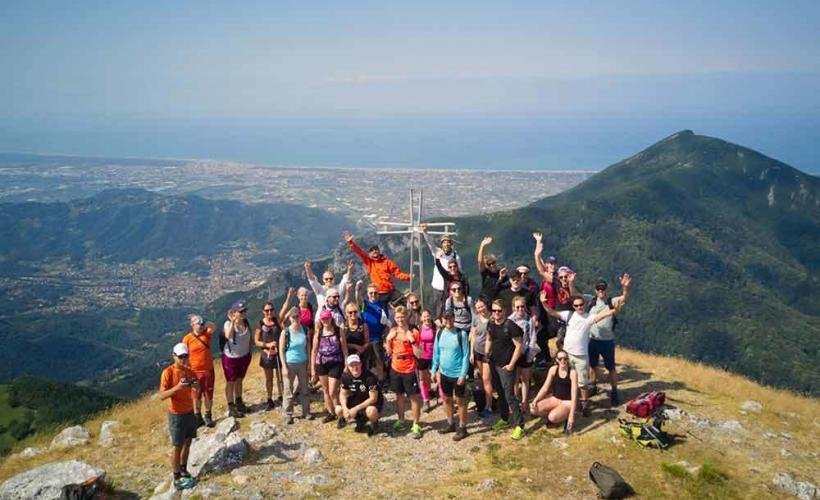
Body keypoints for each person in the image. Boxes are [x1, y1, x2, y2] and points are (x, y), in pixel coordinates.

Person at [540, 291, 622, 417]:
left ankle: (584, 404)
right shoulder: (569, 315)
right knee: (565, 378)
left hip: (581, 356)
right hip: (566, 355)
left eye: (581, 305)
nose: (579, 307)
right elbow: (552, 312)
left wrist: (614, 309)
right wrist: (543, 302)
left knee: (583, 382)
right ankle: (569, 402)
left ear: (584, 304)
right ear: (573, 306)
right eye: (576, 305)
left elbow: (603, 315)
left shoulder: (589, 317)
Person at [584, 274, 631, 406]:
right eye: (598, 289)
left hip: (607, 342)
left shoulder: (612, 302)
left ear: (606, 290)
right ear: (595, 290)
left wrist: (625, 288)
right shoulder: (590, 300)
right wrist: (570, 283)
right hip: (592, 340)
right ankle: (593, 386)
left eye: (603, 289)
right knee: (592, 365)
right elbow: (576, 294)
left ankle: (614, 391)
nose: (600, 291)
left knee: (611, 368)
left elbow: (624, 298)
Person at [158, 343, 198, 490]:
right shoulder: (168, 372)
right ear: (174, 356)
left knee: (188, 442)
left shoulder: (190, 372)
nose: (183, 359)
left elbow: (197, 389)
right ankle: (176, 477)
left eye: (185, 356)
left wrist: (195, 385)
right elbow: (162, 395)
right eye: (180, 357)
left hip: (189, 411)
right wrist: (178, 387)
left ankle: (183, 469)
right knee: (177, 446)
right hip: (176, 415)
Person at [485, 300, 526, 440]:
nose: (496, 313)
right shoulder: (491, 324)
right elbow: (489, 339)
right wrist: (486, 354)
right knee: (501, 393)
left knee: (509, 396)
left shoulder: (510, 326)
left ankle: (520, 425)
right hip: (494, 363)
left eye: (499, 311)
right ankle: (504, 418)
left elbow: (519, 346)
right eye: (494, 310)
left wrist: (512, 364)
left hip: (506, 365)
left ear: (504, 311)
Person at [431, 311, 471, 441]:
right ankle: (450, 424)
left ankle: (463, 427)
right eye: (445, 318)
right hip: (444, 373)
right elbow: (436, 353)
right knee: (447, 399)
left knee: (460, 401)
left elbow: (466, 355)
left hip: (458, 374)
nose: (448, 320)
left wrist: (463, 374)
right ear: (442, 319)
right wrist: (433, 369)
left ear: (454, 319)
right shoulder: (439, 333)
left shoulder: (462, 334)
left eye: (450, 318)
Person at [385, 306, 423, 438]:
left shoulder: (413, 331)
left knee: (414, 397)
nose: (400, 319)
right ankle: (401, 420)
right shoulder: (393, 330)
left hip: (410, 368)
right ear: (394, 318)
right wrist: (388, 340)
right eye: (397, 317)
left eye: (402, 316)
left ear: (406, 316)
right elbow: (389, 352)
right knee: (399, 396)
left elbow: (419, 354)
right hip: (395, 367)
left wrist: (411, 340)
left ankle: (416, 424)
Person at [344, 231, 411, 306]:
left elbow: (397, 273)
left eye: (376, 249)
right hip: (379, 293)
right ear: (369, 254)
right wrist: (350, 243)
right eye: (372, 250)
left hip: (391, 290)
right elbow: (360, 252)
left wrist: (408, 277)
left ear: (379, 251)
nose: (374, 251)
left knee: (405, 303)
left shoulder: (387, 262)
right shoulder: (369, 262)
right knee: (383, 312)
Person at [312, 308, 348, 423]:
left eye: (327, 318)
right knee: (326, 390)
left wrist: (346, 362)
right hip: (321, 363)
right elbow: (314, 351)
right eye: (323, 319)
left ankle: (340, 414)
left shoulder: (338, 330)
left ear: (331, 318)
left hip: (336, 362)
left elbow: (344, 347)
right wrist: (313, 369)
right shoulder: (318, 333)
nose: (325, 320)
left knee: (333, 391)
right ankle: (331, 413)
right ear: (321, 320)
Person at [279, 307, 313, 424]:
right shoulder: (285, 332)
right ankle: (288, 414)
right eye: (293, 317)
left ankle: (306, 412)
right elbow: (281, 350)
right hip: (289, 363)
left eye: (297, 316)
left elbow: (308, 347)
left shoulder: (305, 329)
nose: (296, 319)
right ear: (289, 318)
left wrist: (309, 364)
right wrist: (284, 366)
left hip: (303, 362)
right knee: (288, 389)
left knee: (305, 388)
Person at [182, 314, 217, 428]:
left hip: (208, 370)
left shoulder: (206, 334)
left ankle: (208, 415)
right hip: (194, 372)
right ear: (192, 325)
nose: (201, 325)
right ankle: (197, 417)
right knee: (196, 396)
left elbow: (213, 326)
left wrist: (203, 320)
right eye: (198, 324)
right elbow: (183, 356)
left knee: (208, 394)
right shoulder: (187, 339)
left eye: (202, 323)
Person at [529, 350, 578, 432]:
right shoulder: (553, 369)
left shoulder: (572, 373)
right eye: (560, 359)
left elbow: (574, 395)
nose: (563, 361)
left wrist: (571, 416)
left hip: (567, 402)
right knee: (533, 409)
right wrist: (536, 400)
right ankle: (557, 414)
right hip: (555, 399)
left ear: (568, 360)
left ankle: (564, 416)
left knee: (552, 417)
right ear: (556, 360)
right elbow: (545, 387)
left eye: (565, 359)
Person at [421, 224, 462, 317]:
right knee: (438, 309)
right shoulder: (437, 252)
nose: (446, 244)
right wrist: (425, 232)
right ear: (441, 244)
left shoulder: (456, 257)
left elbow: (459, 271)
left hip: (450, 288)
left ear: (451, 244)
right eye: (444, 242)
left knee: (449, 309)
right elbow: (430, 243)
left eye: (448, 242)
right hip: (438, 287)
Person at [337, 354, 382, 436]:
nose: (355, 367)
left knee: (371, 411)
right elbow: (342, 394)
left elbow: (373, 398)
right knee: (338, 409)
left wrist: (355, 409)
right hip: (357, 399)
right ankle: (356, 419)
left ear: (361, 364)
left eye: (356, 364)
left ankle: (375, 424)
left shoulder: (370, 377)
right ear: (348, 366)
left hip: (370, 402)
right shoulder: (346, 377)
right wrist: (345, 408)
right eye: (351, 365)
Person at [508, 296, 539, 415]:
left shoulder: (529, 320)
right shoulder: (509, 321)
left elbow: (532, 337)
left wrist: (530, 354)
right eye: (517, 307)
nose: (520, 309)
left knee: (525, 379)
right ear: (513, 308)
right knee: (515, 380)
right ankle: (516, 403)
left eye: (522, 306)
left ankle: (525, 402)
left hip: (526, 353)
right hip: (514, 354)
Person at [222, 301, 253, 418]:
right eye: (241, 311)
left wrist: (250, 353)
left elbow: (249, 338)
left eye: (244, 311)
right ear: (234, 313)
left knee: (239, 380)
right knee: (230, 382)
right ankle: (231, 406)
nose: (244, 313)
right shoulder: (228, 324)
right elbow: (228, 336)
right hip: (231, 358)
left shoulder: (246, 323)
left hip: (244, 357)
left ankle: (239, 402)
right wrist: (232, 321)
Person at [254, 300, 286, 411]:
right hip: (266, 355)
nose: (269, 312)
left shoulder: (277, 321)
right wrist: (267, 345)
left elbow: (284, 309)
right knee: (269, 379)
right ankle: (269, 399)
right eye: (267, 310)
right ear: (263, 312)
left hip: (278, 353)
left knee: (280, 377)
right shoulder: (260, 324)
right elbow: (256, 341)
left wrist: (289, 297)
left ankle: (282, 396)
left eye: (271, 310)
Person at [356, 282, 390, 382]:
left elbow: (386, 324)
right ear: (367, 294)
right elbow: (358, 299)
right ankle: (366, 381)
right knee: (365, 361)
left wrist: (386, 340)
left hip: (377, 338)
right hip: (365, 338)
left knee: (379, 360)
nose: (373, 295)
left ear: (378, 294)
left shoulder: (382, 306)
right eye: (371, 293)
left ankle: (380, 380)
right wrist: (357, 290)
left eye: (375, 293)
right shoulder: (365, 304)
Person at [470, 298, 494, 418]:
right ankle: (487, 401)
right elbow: (473, 335)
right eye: (478, 307)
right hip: (477, 351)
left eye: (482, 306)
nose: (480, 309)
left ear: (486, 305)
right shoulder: (476, 319)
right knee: (483, 379)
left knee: (486, 379)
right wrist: (471, 353)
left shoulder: (492, 318)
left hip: (488, 353)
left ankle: (488, 406)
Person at [342, 302, 371, 373]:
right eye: (350, 312)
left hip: (361, 354)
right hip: (347, 354)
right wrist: (354, 346)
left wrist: (359, 351)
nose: (353, 314)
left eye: (355, 312)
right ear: (346, 314)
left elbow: (367, 342)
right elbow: (342, 344)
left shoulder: (363, 325)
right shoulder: (343, 327)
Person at [417, 309, 437, 412]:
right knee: (422, 378)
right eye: (424, 316)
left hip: (434, 355)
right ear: (421, 318)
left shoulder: (435, 327)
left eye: (428, 316)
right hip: (422, 356)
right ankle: (426, 400)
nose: (426, 318)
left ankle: (444, 398)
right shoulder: (419, 328)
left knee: (438, 378)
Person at [477, 236, 505, 301]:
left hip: (497, 301)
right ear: (486, 265)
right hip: (485, 299)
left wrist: (501, 277)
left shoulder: (501, 273)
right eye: (489, 264)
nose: (492, 265)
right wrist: (482, 246)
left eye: (493, 262)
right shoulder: (485, 273)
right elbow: (480, 261)